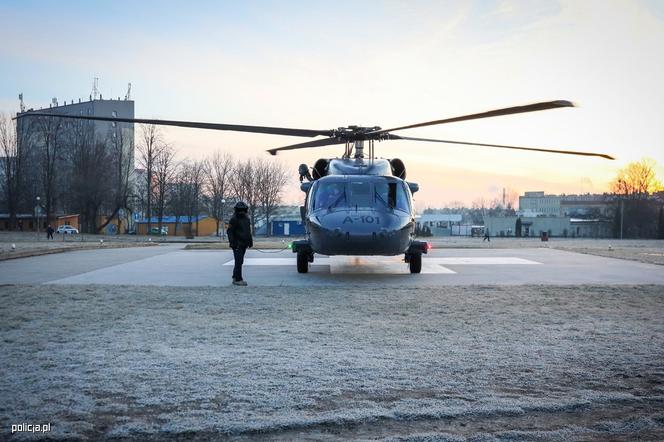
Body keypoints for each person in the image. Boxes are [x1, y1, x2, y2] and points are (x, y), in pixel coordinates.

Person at [226, 201, 253, 286]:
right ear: (236, 210)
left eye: (243, 210)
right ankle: (238, 279)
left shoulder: (247, 219)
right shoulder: (234, 219)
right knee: (238, 261)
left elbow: (248, 232)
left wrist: (250, 241)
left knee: (239, 261)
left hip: (244, 244)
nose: (241, 211)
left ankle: (235, 276)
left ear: (245, 210)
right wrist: (233, 243)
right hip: (237, 244)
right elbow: (229, 232)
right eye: (240, 210)